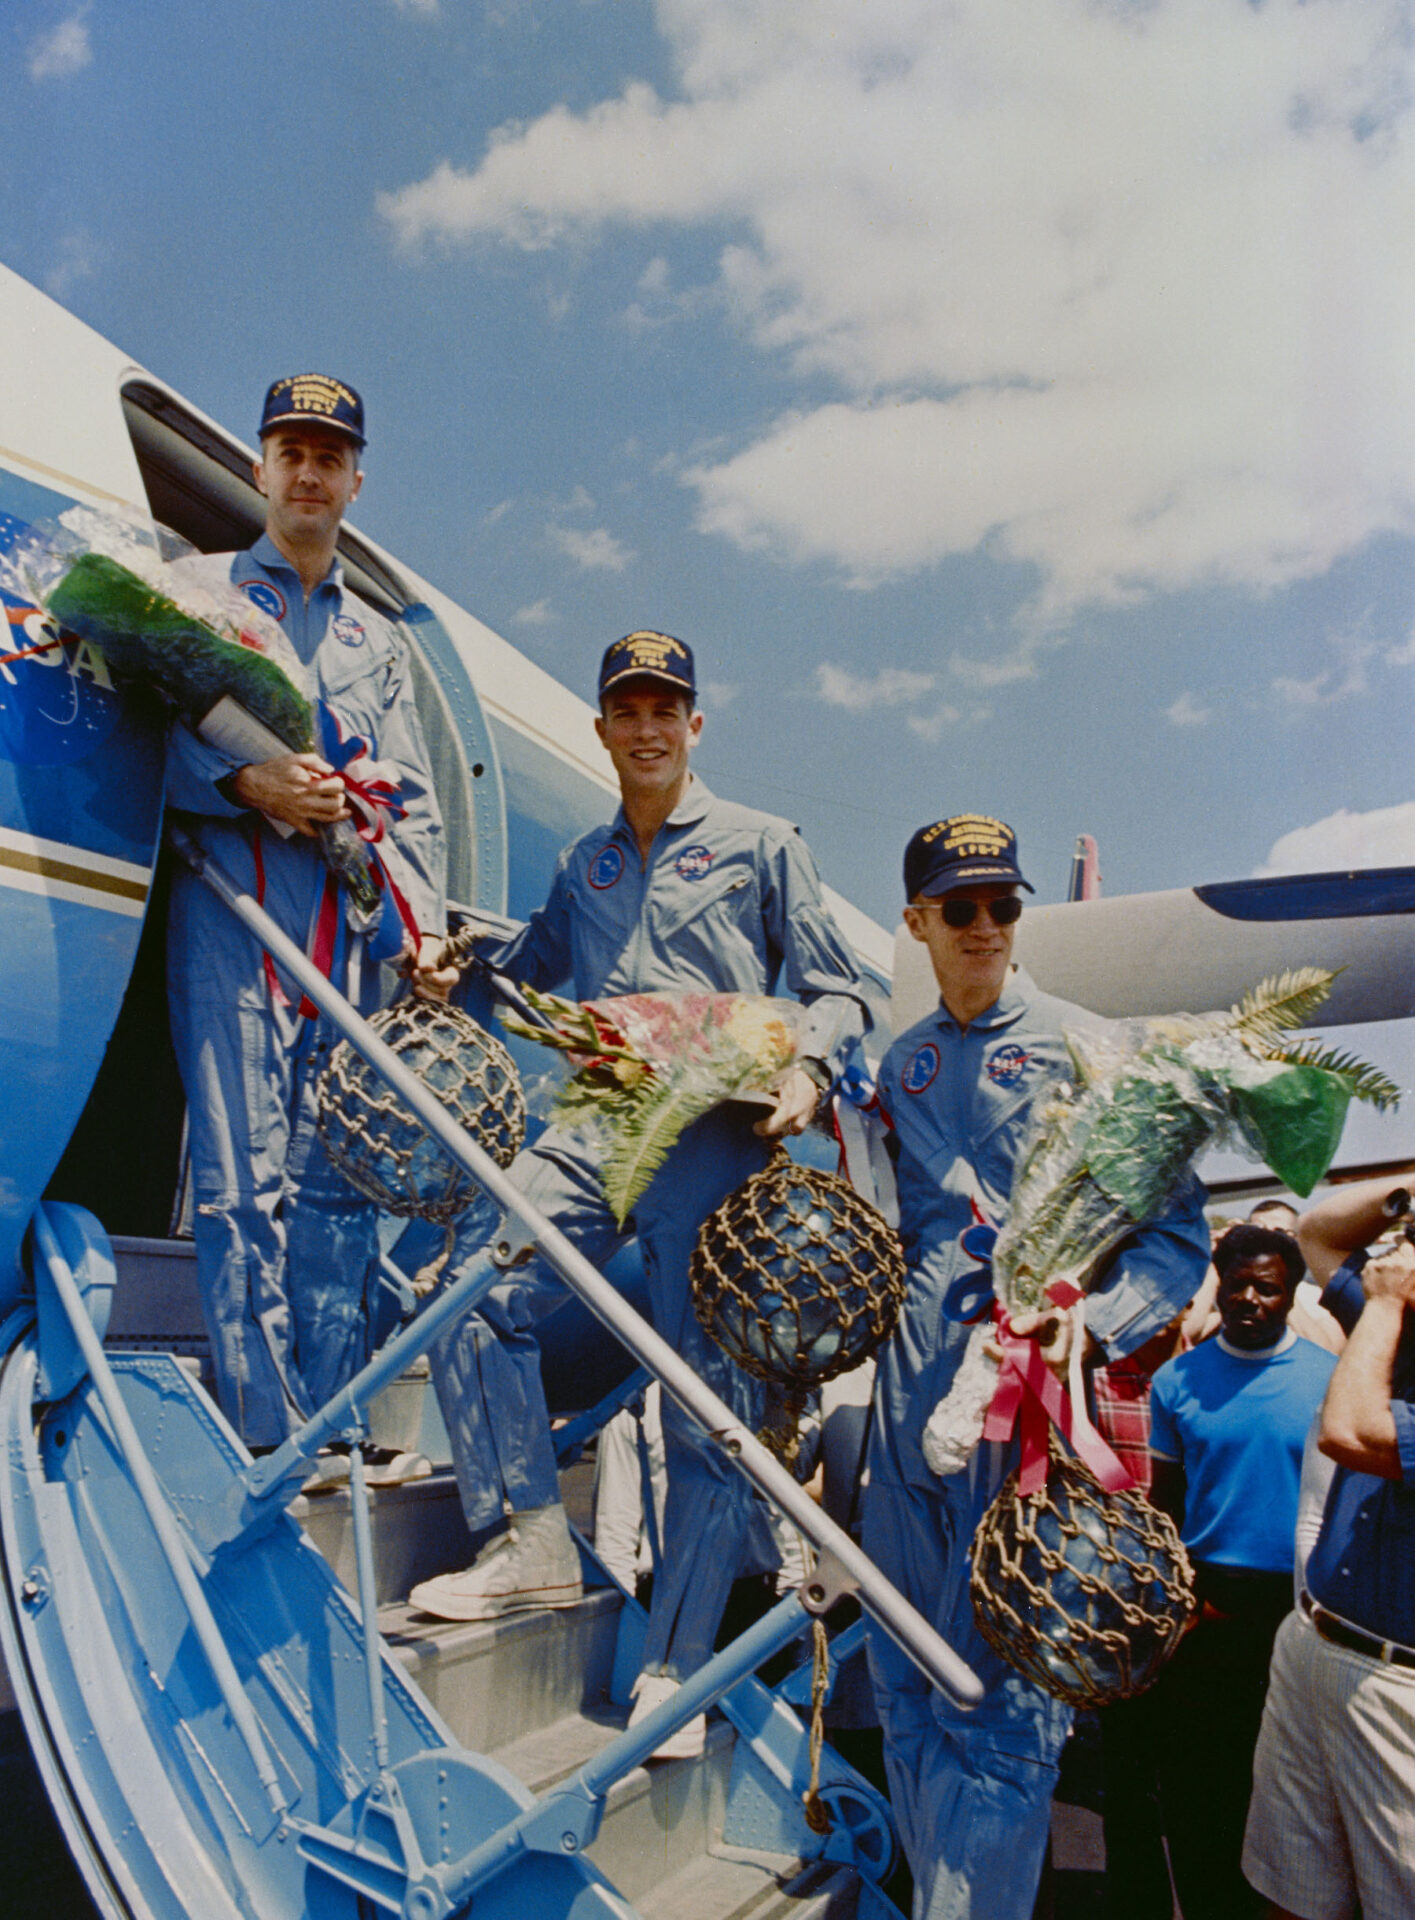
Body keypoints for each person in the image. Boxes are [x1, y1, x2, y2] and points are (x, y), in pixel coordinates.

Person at [412, 631, 867, 1758]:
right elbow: (537, 964)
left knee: (701, 1412)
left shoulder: (762, 846)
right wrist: (456, 969)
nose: (648, 727)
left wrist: (810, 1064)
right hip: (601, 1115)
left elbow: (840, 986)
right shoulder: (588, 862)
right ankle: (528, 1537)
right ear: (605, 729)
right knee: (475, 1286)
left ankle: (674, 1666)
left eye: (668, 708)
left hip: (713, 1135)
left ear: (694, 726)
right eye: (628, 708)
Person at [860, 813, 1211, 1920]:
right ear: (915, 921)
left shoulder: (1086, 1045)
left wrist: (1095, 1321)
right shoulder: (898, 1065)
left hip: (1027, 1420)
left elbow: (1173, 1237)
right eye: (957, 909)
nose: (983, 928)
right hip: (902, 1415)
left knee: (1004, 1718)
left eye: (1001, 906)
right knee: (906, 1695)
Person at [164, 374, 451, 1465]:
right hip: (237, 912)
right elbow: (153, 736)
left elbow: (411, 801)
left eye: (329, 457)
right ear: (259, 469)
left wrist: (417, 933)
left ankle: (329, 1421)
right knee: (244, 1182)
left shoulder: (380, 644)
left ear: (354, 482)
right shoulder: (198, 594)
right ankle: (262, 1423)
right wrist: (245, 788)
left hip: (349, 939)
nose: (309, 472)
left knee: (333, 1193)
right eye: (290, 451)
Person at [1146, 1221, 1337, 1919]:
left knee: (1294, 1798)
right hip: (1209, 1608)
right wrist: (1183, 1602)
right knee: (1206, 1791)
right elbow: (1163, 1507)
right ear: (1218, 1287)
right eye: (1238, 1286)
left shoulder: (1328, 1380)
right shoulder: (1174, 1382)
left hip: (1302, 1611)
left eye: (1267, 1288)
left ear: (1291, 1296)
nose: (1250, 1299)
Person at [1243, 1172, 1415, 1920]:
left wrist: (1380, 1302)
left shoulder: (1390, 1320)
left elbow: (1349, 1432)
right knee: (1294, 1894)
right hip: (1316, 1644)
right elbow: (1315, 1232)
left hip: (1395, 1691)